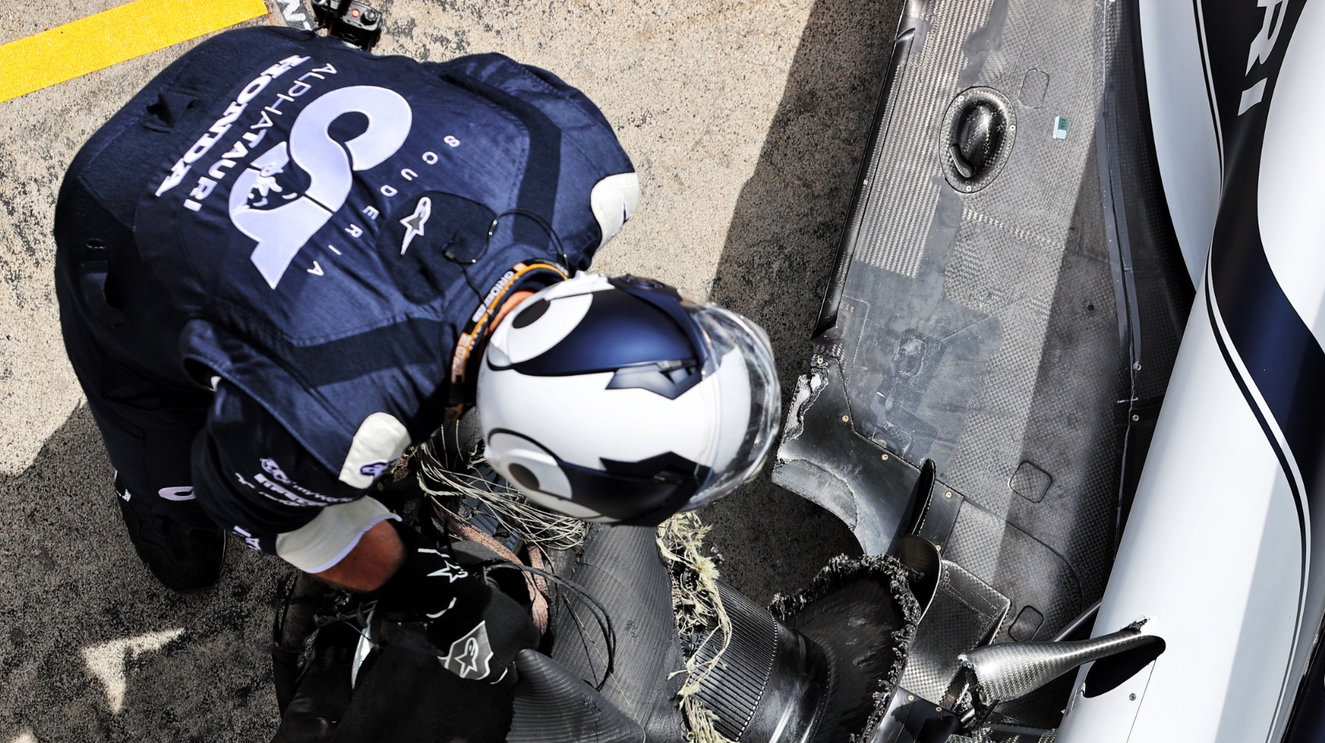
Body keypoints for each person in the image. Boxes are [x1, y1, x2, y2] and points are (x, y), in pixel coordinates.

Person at [54, 24, 780, 680]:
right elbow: (270, 512)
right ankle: (143, 487)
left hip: (255, 60)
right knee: (182, 490)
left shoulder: (586, 159)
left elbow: (459, 81)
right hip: (123, 194)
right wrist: (422, 588)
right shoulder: (333, 422)